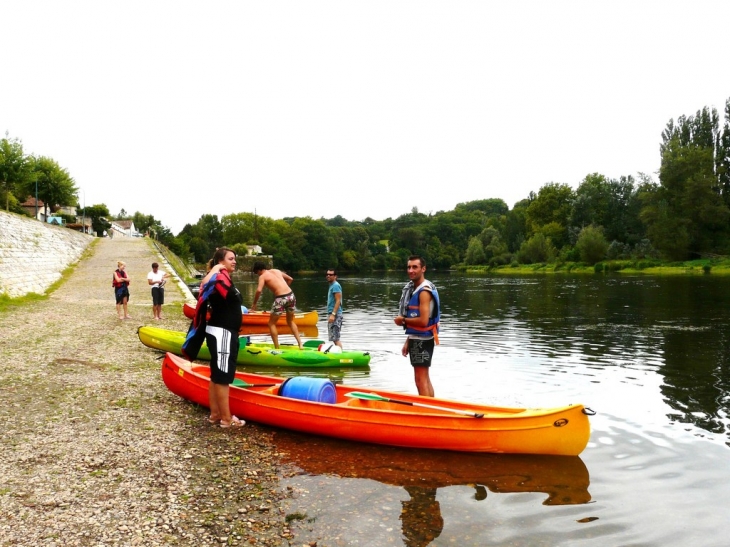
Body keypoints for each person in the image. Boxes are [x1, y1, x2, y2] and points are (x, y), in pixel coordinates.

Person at [199, 248, 245, 428]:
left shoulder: (224, 278)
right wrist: (215, 268)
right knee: (223, 377)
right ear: (220, 261)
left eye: (235, 259)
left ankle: (215, 415)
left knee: (216, 375)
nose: (234, 261)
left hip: (223, 331)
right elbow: (203, 285)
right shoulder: (217, 276)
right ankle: (226, 419)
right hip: (222, 333)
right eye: (231, 258)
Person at [394, 255, 440, 397]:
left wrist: (403, 320)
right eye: (409, 267)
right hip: (419, 337)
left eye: (415, 267)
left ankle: (426, 412)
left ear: (423, 269)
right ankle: (433, 409)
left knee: (420, 380)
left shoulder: (424, 291)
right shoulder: (417, 288)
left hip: (422, 340)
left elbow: (423, 321)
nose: (411, 270)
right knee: (424, 378)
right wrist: (408, 340)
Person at [251, 261, 303, 349]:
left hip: (281, 298)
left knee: (271, 323)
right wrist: (283, 288)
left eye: (256, 273)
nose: (257, 275)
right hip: (291, 296)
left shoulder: (262, 276)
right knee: (290, 321)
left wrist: (254, 304)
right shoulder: (276, 270)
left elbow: (259, 290)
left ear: (259, 270)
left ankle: (277, 348)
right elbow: (290, 279)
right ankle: (300, 344)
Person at [325, 268, 343, 348]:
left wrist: (333, 314)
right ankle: (339, 353)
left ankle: (341, 356)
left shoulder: (335, 285)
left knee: (336, 338)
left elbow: (338, 301)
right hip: (332, 314)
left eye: (331, 275)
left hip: (335, 314)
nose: (328, 276)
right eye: (327, 274)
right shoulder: (332, 285)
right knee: (334, 338)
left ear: (335, 276)